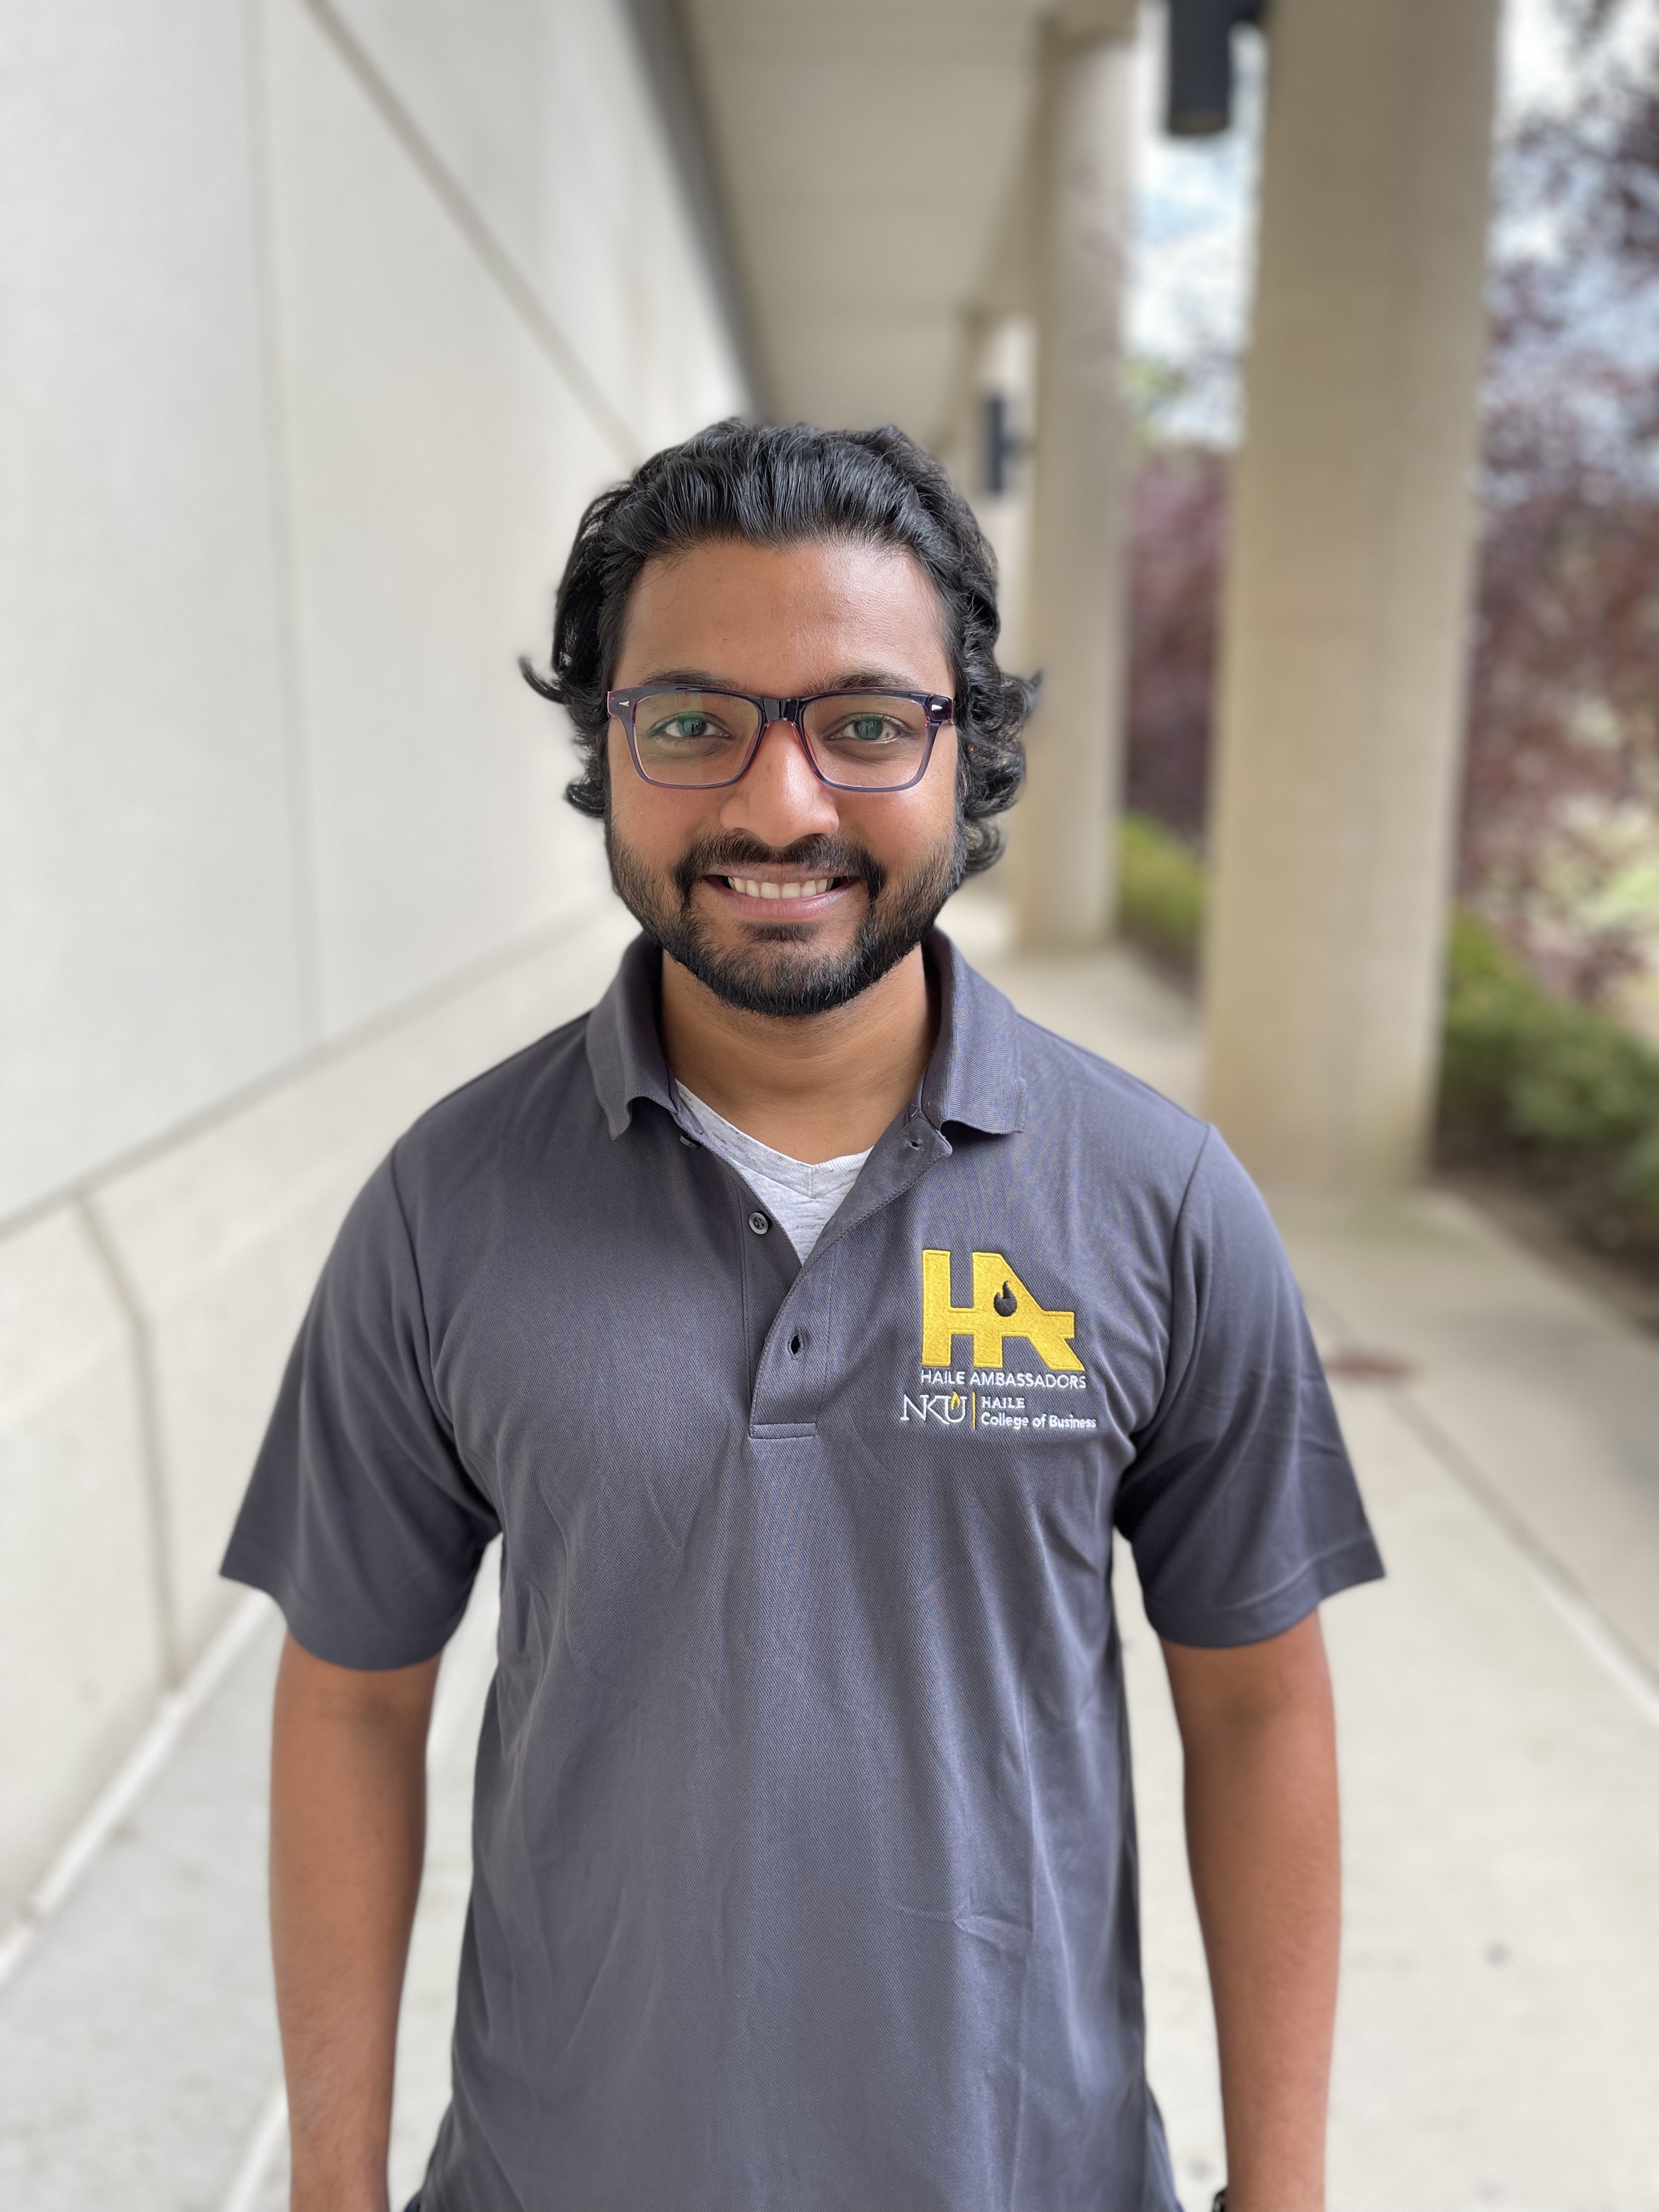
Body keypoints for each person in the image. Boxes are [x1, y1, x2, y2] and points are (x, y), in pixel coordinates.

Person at [225, 420, 1383, 2212]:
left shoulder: (1159, 1200)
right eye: (690, 723)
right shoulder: (446, 1208)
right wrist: (331, 2190)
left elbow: (1256, 1712)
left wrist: (1288, 2193)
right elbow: (353, 1709)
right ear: (606, 754)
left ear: (967, 748)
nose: (780, 807)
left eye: (863, 723)